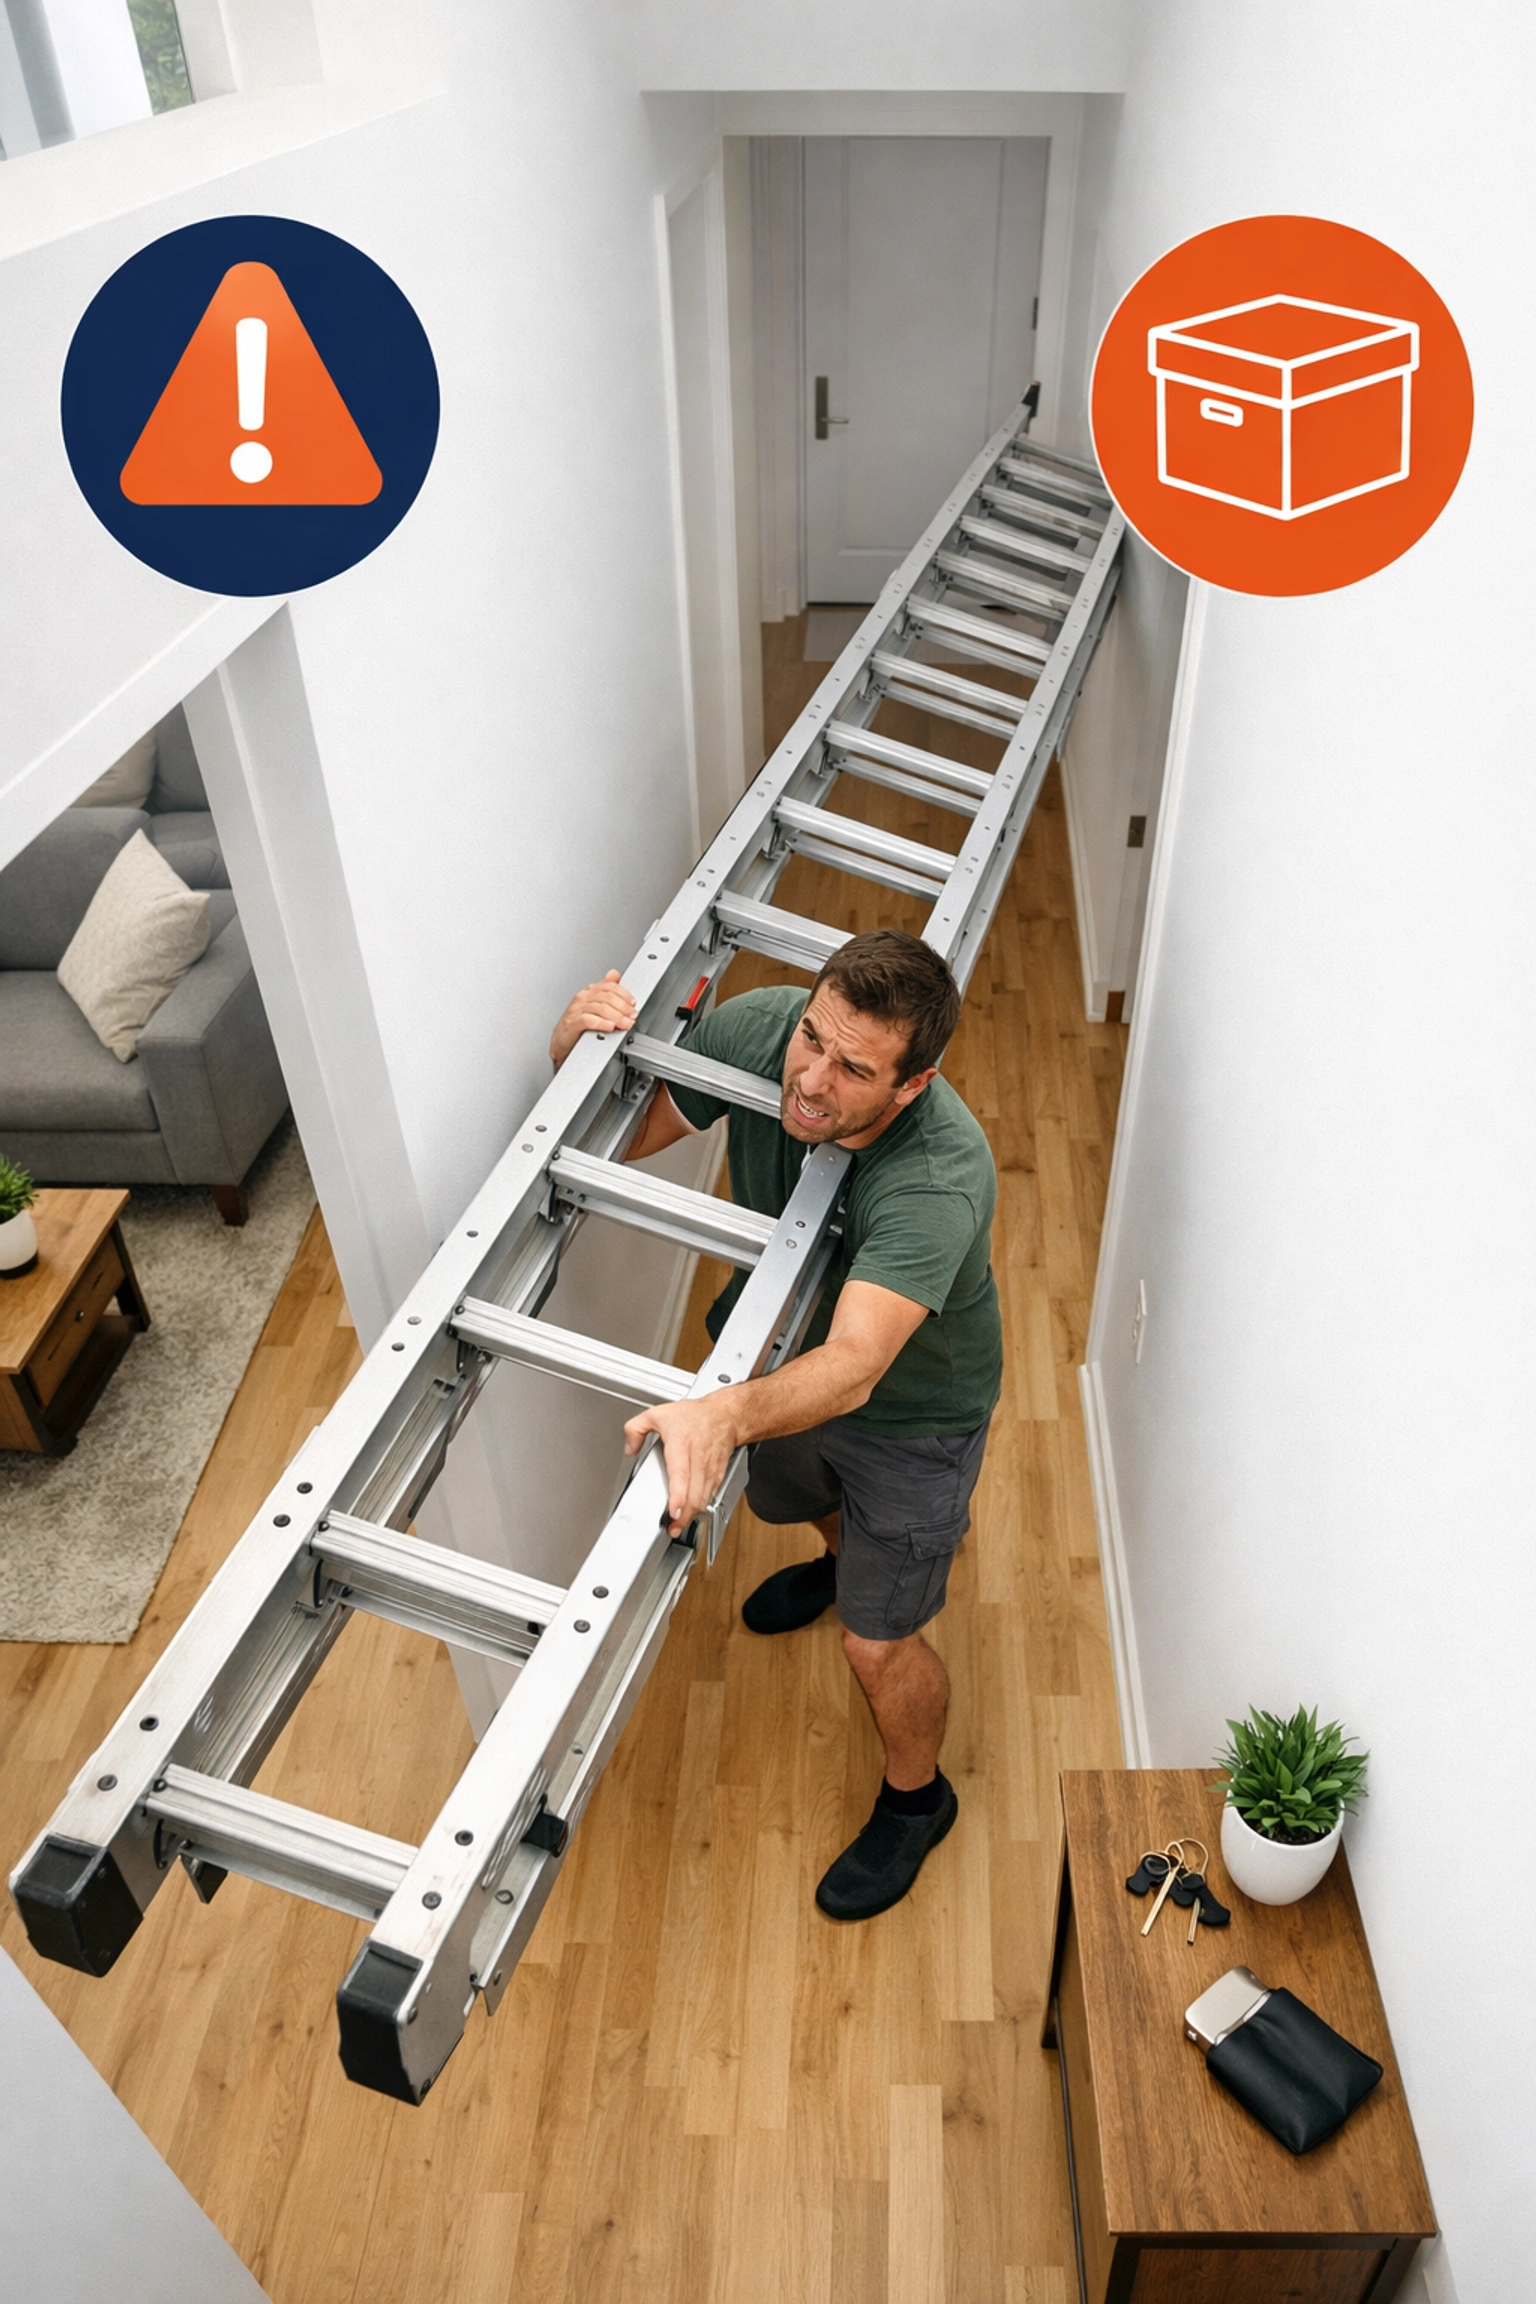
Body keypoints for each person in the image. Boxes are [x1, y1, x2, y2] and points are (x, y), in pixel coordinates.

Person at [549, 928, 1002, 1921]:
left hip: (912, 1416)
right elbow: (619, 1138)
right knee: (804, 1497)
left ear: (910, 1087)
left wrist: (720, 1414)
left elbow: (853, 1369)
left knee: (877, 1644)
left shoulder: (939, 1176)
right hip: (782, 1355)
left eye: (852, 1070)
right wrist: (570, 1053)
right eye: (813, 1040)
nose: (810, 1080)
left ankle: (919, 1801)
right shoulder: (765, 1032)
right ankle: (843, 1566)